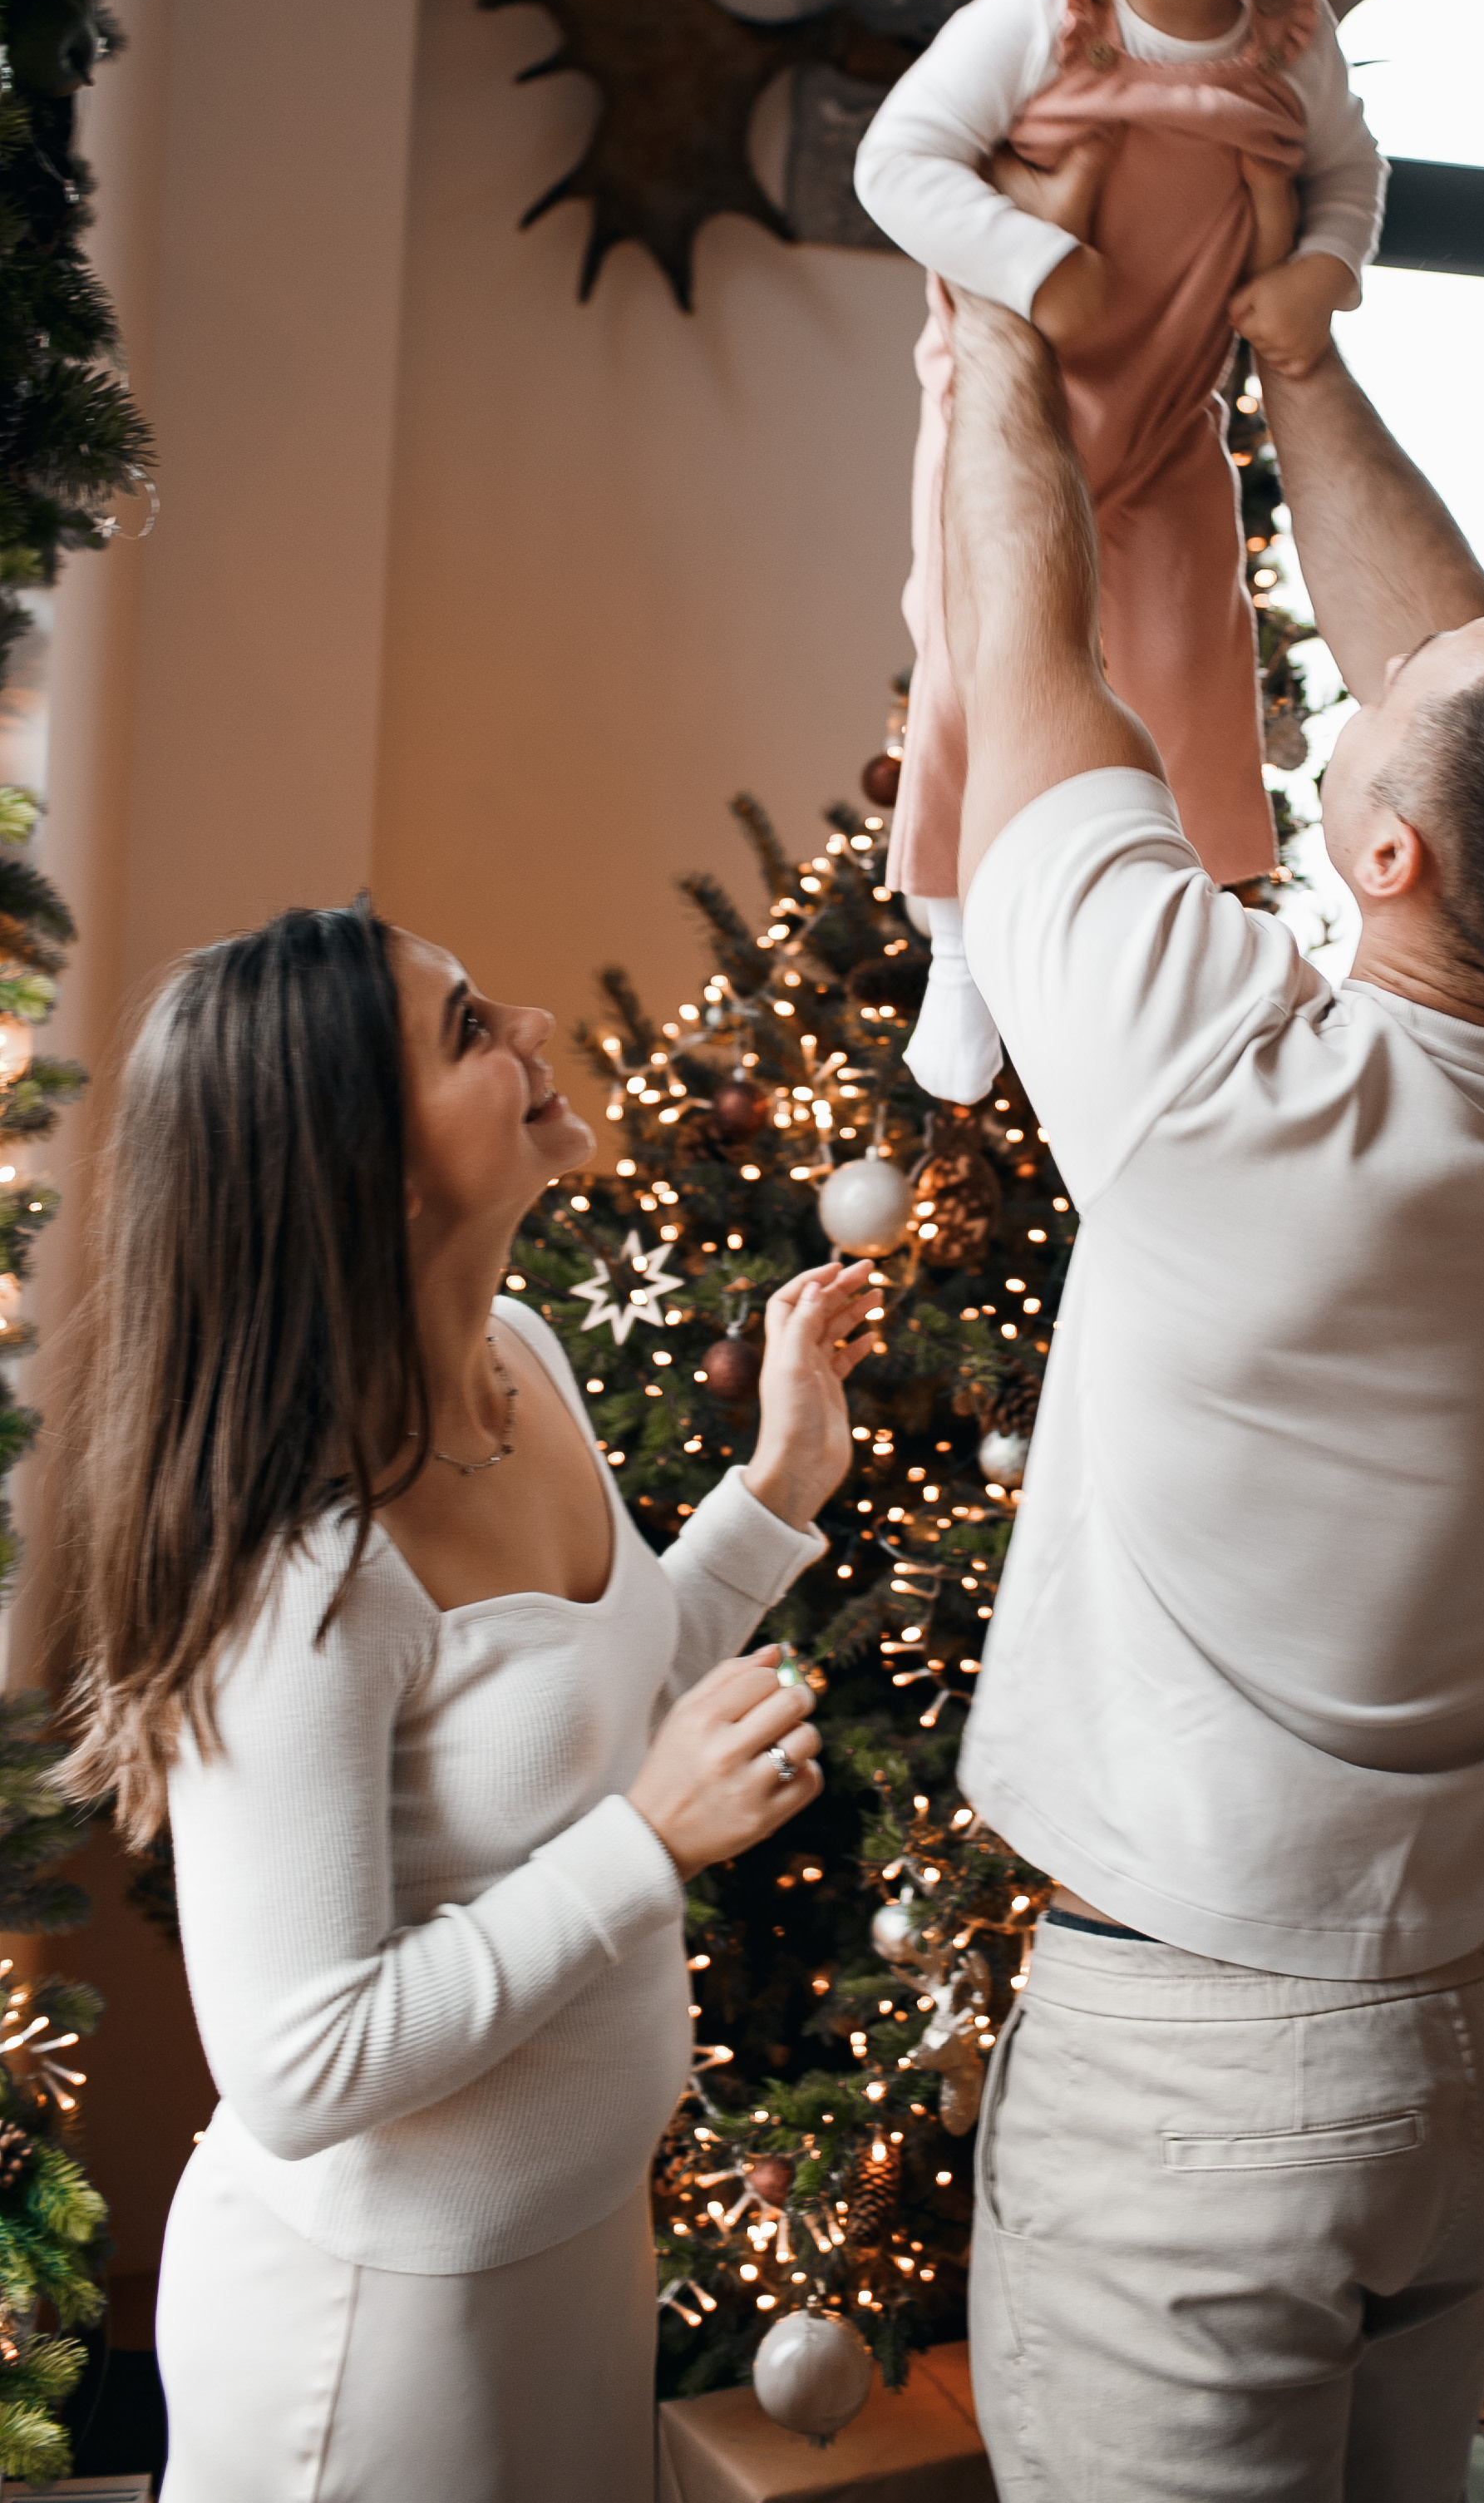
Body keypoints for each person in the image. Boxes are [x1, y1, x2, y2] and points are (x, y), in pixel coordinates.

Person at [934, 146, 1484, 2503]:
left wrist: (991, 317)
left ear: (1384, 858)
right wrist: (1291, 354)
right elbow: (1469, 690)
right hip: (1473, 2044)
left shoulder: (1224, 1090)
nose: (1377, 687)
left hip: (1199, 2077)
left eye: (1400, 717)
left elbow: (1029, 665)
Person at [56, 901, 878, 2503]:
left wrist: (779, 1487)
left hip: (576, 2246)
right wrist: (648, 1844)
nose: (534, 1031)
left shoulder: (521, 1352)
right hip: (378, 2330)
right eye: (468, 1030)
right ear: (371, 1168)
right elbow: (301, 2065)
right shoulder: (301, 1567)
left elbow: (600, 1709)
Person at [855, 0, 1388, 1103]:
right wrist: (1038, 266)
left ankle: (1192, 924)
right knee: (980, 662)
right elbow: (897, 161)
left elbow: (1352, 172)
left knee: (1186, 665)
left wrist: (1319, 269)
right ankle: (961, 941)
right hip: (1013, 428)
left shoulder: (1285, 32)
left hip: (1163, 433)